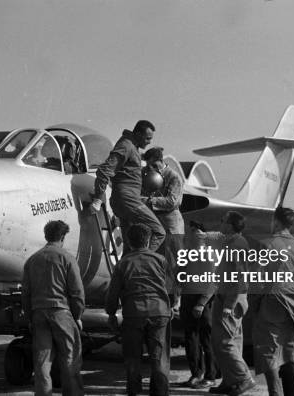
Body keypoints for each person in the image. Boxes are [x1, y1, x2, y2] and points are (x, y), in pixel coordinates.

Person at [251, 206, 294, 396]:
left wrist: (255, 304)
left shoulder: (265, 245)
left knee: (269, 351)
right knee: (292, 351)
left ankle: (275, 392)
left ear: (276, 221)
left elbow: (256, 280)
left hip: (271, 301)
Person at [105, 223, 175, 396]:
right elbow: (172, 287)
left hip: (133, 314)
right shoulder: (161, 260)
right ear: (149, 240)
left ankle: (134, 393)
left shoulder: (123, 263)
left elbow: (113, 293)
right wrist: (171, 306)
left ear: (129, 241)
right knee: (159, 359)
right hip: (159, 313)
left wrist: (111, 313)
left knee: (132, 360)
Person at [21, 220, 85, 396]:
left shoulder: (32, 260)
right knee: (70, 359)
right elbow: (77, 292)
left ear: (46, 236)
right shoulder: (67, 258)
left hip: (38, 314)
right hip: (61, 313)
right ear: (63, 237)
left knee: (42, 361)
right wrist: (77, 315)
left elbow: (25, 294)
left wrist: (30, 318)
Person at [90, 120, 165, 254]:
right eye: (148, 138)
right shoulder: (126, 145)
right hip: (127, 200)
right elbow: (105, 170)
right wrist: (99, 197)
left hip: (125, 200)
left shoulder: (132, 146)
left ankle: (127, 268)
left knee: (129, 245)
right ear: (138, 134)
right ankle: (141, 260)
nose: (149, 142)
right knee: (159, 231)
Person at [208, 211, 256, 396]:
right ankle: (229, 381)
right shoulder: (232, 243)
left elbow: (238, 278)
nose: (220, 223)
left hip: (231, 299)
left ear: (230, 225)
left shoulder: (237, 245)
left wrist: (229, 304)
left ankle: (243, 378)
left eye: (222, 220)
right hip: (229, 297)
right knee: (233, 341)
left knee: (224, 342)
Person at [177, 220, 221, 389]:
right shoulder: (187, 254)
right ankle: (196, 374)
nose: (190, 234)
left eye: (194, 231)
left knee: (206, 339)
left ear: (202, 234)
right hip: (188, 300)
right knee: (190, 339)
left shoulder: (209, 254)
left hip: (204, 303)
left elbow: (213, 282)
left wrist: (201, 304)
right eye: (189, 231)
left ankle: (210, 375)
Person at [141, 146, 184, 302]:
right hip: (154, 223)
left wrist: (149, 201)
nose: (150, 168)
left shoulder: (173, 177)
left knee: (173, 262)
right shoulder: (146, 174)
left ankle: (176, 301)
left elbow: (173, 201)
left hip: (171, 224)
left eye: (153, 165)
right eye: (148, 165)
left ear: (161, 161)